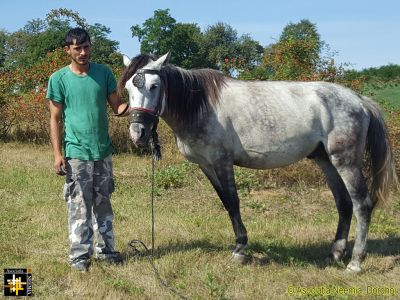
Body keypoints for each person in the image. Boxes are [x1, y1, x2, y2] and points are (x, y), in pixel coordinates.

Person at [46, 28, 129, 272]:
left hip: (103, 152)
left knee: (103, 203)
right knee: (79, 205)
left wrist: (141, 107)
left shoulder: (103, 73)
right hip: (76, 153)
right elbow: (55, 119)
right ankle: (79, 256)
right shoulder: (58, 79)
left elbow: (117, 107)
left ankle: (107, 252)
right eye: (77, 48)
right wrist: (58, 154)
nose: (83, 52)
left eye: (87, 47)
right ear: (67, 50)